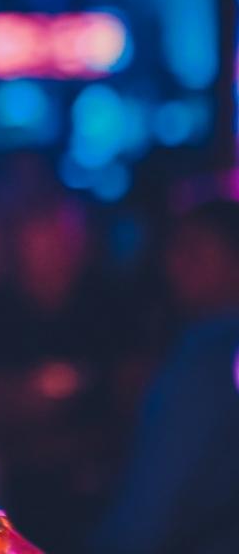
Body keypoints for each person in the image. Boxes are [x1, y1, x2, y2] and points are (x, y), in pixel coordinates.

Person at [91, 199, 239, 554]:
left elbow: (148, 512)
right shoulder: (198, 351)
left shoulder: (204, 361)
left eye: (193, 251)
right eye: (173, 249)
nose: (173, 264)